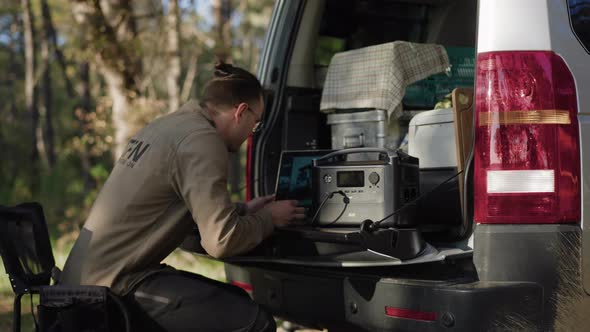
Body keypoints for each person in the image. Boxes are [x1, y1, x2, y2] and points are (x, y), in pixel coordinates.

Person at [60, 61, 305, 331]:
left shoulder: (169, 126)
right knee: (254, 323)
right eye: (255, 124)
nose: (251, 134)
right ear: (241, 112)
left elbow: (179, 202)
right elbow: (221, 241)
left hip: (82, 286)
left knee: (234, 301)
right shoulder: (203, 140)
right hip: (107, 294)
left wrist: (244, 211)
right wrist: (269, 218)